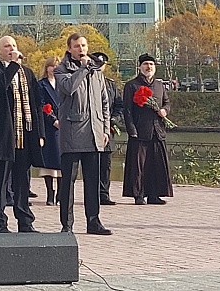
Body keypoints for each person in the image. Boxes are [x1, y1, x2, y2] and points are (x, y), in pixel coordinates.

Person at [0, 36, 45, 234]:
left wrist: (40, 132)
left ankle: (25, 222)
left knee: (22, 181)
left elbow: (37, 104)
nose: (12, 49)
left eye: (14, 46)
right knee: (1, 182)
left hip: (25, 134)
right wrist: (13, 65)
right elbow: (0, 87)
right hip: (5, 136)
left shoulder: (27, 73)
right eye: (7, 46)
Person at [53, 33, 112, 235]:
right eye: (77, 46)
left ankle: (93, 221)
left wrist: (105, 129)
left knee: (93, 181)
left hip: (95, 133)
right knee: (68, 182)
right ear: (69, 49)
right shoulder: (62, 70)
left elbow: (105, 102)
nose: (81, 49)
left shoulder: (96, 71)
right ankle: (67, 224)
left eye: (84, 45)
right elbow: (69, 88)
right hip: (72, 133)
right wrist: (84, 68)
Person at [123, 54, 174, 206]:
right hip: (140, 131)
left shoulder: (159, 85)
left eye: (151, 64)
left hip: (157, 131)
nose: (148, 67)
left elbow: (167, 102)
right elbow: (127, 111)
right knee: (139, 165)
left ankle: (154, 194)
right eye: (145, 64)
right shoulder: (132, 85)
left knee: (156, 164)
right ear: (140, 67)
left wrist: (165, 110)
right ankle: (139, 195)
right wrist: (132, 130)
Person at [91, 51, 124, 205]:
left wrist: (114, 120)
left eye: (101, 65)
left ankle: (104, 194)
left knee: (106, 165)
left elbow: (119, 106)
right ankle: (92, 194)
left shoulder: (110, 85)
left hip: (107, 130)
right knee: (91, 164)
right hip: (90, 130)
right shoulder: (86, 81)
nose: (99, 67)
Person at [37, 57, 62, 207]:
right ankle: (50, 193)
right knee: (49, 161)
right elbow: (41, 105)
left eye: (56, 66)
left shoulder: (64, 84)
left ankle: (60, 192)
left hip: (64, 125)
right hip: (49, 126)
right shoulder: (41, 85)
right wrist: (52, 119)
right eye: (51, 66)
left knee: (61, 162)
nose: (54, 68)